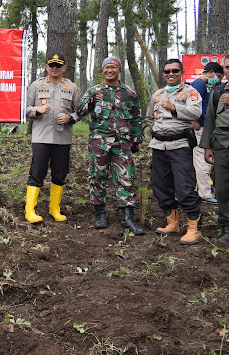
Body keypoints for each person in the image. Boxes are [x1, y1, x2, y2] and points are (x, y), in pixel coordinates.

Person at [77, 56, 144, 234]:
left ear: (119, 70)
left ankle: (127, 218)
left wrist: (136, 140)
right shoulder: (94, 90)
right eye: (107, 67)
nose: (110, 70)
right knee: (97, 176)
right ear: (103, 70)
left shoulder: (129, 92)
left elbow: (137, 118)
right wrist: (92, 102)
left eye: (114, 67)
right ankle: (101, 214)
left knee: (126, 178)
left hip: (122, 143)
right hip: (99, 142)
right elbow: (80, 110)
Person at [147, 58, 203, 244]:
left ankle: (194, 228)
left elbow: (196, 113)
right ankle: (173, 223)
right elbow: (149, 117)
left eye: (175, 71)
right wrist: (156, 130)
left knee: (184, 186)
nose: (171, 74)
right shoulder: (158, 94)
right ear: (163, 74)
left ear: (182, 73)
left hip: (179, 145)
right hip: (159, 146)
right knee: (160, 185)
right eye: (167, 71)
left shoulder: (190, 92)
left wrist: (174, 108)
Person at [23, 53, 80, 223]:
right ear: (46, 67)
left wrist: (70, 118)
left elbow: (80, 111)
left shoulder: (71, 87)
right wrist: (36, 111)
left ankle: (54, 209)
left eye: (58, 65)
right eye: (51, 65)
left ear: (64, 68)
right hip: (41, 138)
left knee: (60, 173)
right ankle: (30, 211)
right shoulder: (36, 85)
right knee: (37, 172)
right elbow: (24, 109)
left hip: (62, 138)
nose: (54, 68)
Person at [201, 54, 229, 244]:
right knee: (222, 186)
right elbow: (210, 119)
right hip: (222, 143)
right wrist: (207, 146)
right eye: (227, 67)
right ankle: (226, 226)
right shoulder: (218, 91)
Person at [190, 62, 223, 203]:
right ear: (210, 72)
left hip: (206, 127)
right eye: (218, 76)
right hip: (200, 128)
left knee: (205, 160)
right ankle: (204, 193)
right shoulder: (198, 84)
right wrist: (194, 119)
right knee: (202, 160)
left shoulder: (206, 86)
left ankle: (200, 190)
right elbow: (192, 104)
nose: (219, 80)